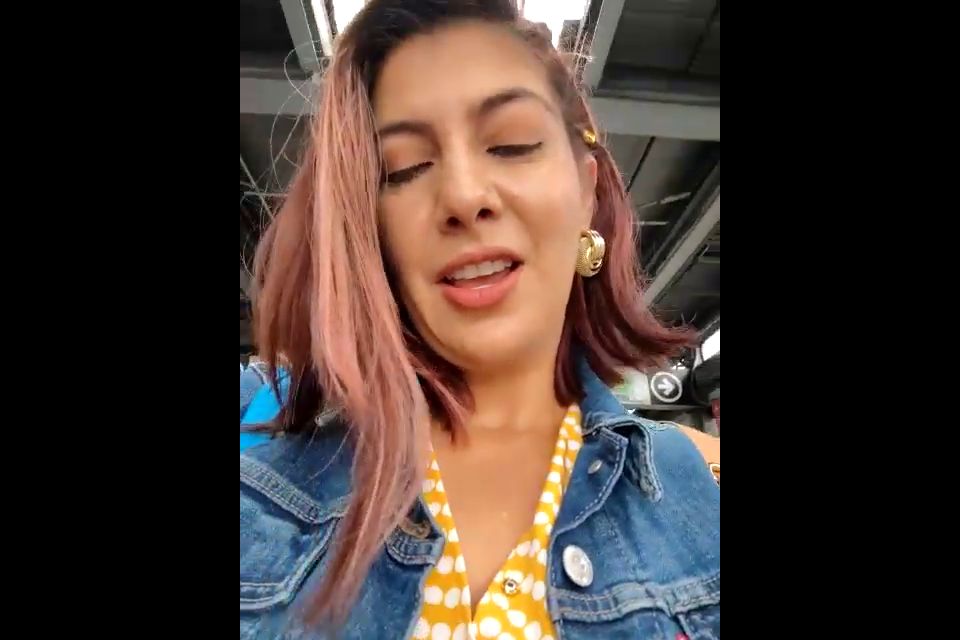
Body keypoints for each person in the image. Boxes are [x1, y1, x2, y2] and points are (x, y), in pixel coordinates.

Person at [240, 1, 720, 638]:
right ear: (370, 228)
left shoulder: (693, 495)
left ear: (586, 189)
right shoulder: (260, 505)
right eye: (404, 169)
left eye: (511, 144)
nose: (464, 197)